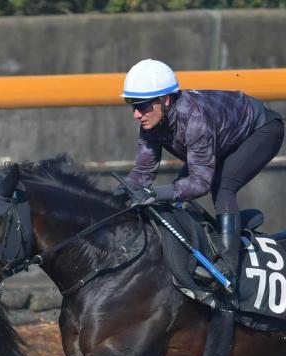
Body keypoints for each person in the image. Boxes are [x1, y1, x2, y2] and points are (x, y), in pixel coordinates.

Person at [117, 58, 284, 286]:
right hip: (225, 135)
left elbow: (200, 183)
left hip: (262, 129)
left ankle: (228, 265)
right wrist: (117, 195)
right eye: (133, 105)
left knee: (221, 186)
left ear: (165, 99)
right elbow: (143, 172)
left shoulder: (195, 118)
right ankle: (224, 232)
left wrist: (155, 193)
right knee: (177, 193)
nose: (137, 114)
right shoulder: (151, 122)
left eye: (143, 105)